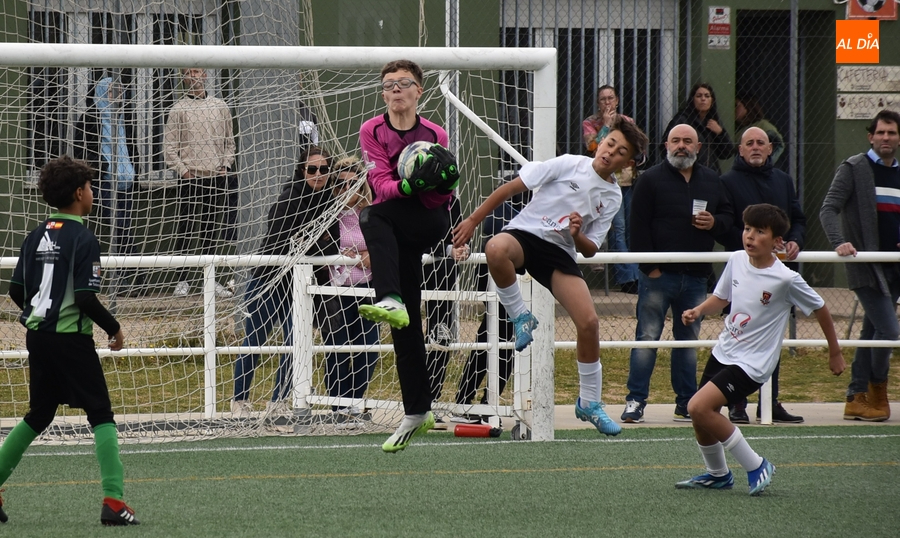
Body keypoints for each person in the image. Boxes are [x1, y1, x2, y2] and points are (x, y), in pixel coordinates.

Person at [453, 117, 650, 438]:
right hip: (526, 235)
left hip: (560, 253)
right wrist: (474, 219)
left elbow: (589, 250)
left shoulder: (612, 197)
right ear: (601, 141)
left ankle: (589, 402)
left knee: (589, 323)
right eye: (609, 143)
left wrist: (575, 234)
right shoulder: (569, 163)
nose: (610, 152)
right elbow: (511, 187)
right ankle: (521, 318)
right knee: (495, 247)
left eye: (619, 152)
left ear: (626, 163)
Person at [2, 156, 139, 526]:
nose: (94, 192)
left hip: (38, 337)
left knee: (38, 415)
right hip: (70, 341)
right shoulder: (83, 237)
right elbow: (84, 297)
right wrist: (114, 328)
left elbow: (16, 290)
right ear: (79, 193)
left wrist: (41, 314)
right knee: (101, 415)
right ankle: (114, 501)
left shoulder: (34, 236)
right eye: (91, 187)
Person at [676, 204, 845, 495]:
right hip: (724, 351)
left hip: (752, 364)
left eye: (759, 231)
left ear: (777, 241)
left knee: (697, 406)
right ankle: (717, 474)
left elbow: (820, 308)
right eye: (747, 229)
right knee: (702, 416)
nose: (750, 236)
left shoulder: (786, 279)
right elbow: (721, 298)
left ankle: (756, 465)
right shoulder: (737, 260)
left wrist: (835, 351)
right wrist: (698, 310)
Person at [356, 59, 460, 452]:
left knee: (370, 216)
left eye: (403, 83)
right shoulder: (372, 130)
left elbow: (441, 197)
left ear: (419, 90)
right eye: (388, 85)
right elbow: (380, 185)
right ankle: (418, 410)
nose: (395, 90)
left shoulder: (435, 132)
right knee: (404, 325)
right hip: (396, 227)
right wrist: (411, 182)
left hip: (430, 221)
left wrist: (435, 184)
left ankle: (388, 297)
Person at [622, 123, 733, 423]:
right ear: (666, 145)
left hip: (696, 278)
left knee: (687, 344)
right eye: (675, 141)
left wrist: (715, 223)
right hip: (658, 278)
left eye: (688, 141)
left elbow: (728, 218)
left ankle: (686, 403)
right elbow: (638, 227)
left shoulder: (712, 180)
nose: (681, 146)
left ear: (698, 147)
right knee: (647, 339)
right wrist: (651, 269)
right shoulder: (650, 180)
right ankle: (635, 401)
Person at [231, 147, 338, 417]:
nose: (318, 174)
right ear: (301, 171)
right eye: (312, 169)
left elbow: (331, 244)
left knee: (295, 342)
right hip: (268, 281)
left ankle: (279, 401)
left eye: (324, 169)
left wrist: (316, 244)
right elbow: (283, 243)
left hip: (300, 287)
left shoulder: (332, 202)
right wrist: (317, 242)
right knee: (253, 341)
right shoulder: (287, 199)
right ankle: (239, 400)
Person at [719, 127, 806, 424]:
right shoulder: (727, 182)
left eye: (761, 143)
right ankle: (736, 404)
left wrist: (794, 240)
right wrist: (755, 244)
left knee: (771, 341)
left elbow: (798, 220)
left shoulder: (784, 181)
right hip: (745, 276)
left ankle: (770, 403)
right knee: (739, 338)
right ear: (740, 150)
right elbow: (726, 226)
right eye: (749, 143)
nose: (755, 147)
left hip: (775, 277)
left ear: (770, 149)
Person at [820, 109, 900, 422]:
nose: (886, 138)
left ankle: (856, 396)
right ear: (871, 136)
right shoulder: (854, 167)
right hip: (866, 268)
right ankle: (878, 389)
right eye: (880, 132)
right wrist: (840, 242)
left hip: (895, 268)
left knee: (872, 331)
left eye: (891, 133)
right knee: (889, 331)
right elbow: (828, 209)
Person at [163, 67, 236, 299]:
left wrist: (225, 165)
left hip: (215, 177)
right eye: (188, 73)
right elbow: (169, 147)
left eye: (197, 71)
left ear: (205, 75)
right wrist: (184, 172)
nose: (193, 76)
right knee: (186, 228)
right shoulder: (178, 109)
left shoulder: (220, 107)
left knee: (210, 229)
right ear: (183, 78)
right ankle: (182, 280)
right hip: (191, 178)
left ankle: (210, 280)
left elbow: (230, 142)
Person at [321, 156, 380, 427]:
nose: (346, 190)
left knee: (368, 350)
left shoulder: (371, 212)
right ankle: (338, 406)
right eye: (340, 185)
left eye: (351, 183)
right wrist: (337, 253)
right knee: (338, 349)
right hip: (337, 290)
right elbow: (317, 245)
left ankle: (355, 402)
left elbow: (386, 242)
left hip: (367, 288)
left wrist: (372, 253)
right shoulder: (326, 214)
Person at [450, 200, 519, 424]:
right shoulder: (506, 205)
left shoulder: (542, 202)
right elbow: (492, 233)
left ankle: (486, 401)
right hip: (498, 281)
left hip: (522, 280)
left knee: (508, 345)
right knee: (491, 340)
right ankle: (465, 400)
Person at [73, 76, 144, 294]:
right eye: (113, 91)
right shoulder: (89, 119)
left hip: (126, 182)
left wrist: (134, 172)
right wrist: (102, 168)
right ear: (102, 93)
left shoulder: (125, 118)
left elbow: (132, 149)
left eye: (120, 91)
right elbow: (81, 152)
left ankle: (126, 278)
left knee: (124, 228)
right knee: (119, 226)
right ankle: (135, 277)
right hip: (103, 182)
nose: (118, 96)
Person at [582, 84, 639, 293]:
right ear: (598, 103)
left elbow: (636, 148)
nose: (607, 103)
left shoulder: (627, 122)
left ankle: (633, 273)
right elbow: (593, 148)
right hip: (605, 182)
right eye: (603, 99)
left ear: (617, 101)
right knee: (618, 228)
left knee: (630, 229)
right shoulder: (590, 123)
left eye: (611, 98)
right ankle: (628, 279)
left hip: (627, 180)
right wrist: (606, 126)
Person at [423, 197, 470, 430]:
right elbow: (413, 238)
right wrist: (447, 249)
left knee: (441, 338)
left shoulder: (453, 201)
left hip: (443, 277)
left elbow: (456, 236)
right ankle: (417, 404)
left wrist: (461, 248)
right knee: (410, 339)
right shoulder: (409, 197)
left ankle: (432, 400)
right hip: (411, 271)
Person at [662, 83, 733, 174]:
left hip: (710, 174)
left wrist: (720, 133)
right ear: (693, 100)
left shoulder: (712, 123)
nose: (703, 99)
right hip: (688, 173)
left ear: (712, 101)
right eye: (699, 96)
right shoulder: (683, 120)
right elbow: (664, 147)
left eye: (707, 96)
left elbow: (726, 153)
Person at [734, 94, 785, 165]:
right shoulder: (739, 128)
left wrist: (764, 164)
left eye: (736, 106)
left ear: (747, 107)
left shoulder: (763, 126)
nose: (733, 109)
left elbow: (777, 145)